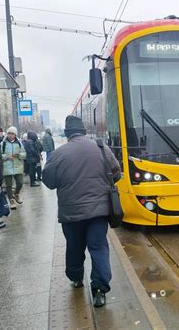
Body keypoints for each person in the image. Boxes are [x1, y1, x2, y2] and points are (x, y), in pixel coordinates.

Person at [43, 116, 121, 308]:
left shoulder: (59, 154)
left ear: (67, 134)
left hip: (72, 214)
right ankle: (100, 290)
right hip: (98, 212)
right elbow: (117, 173)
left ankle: (76, 278)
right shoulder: (101, 147)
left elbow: (49, 182)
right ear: (84, 131)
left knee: (75, 247)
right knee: (99, 247)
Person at [1, 126, 26, 209]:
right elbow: (0, 155)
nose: (10, 135)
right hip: (7, 167)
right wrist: (8, 157)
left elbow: (24, 154)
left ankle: (16, 194)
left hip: (17, 166)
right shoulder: (3, 143)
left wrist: (19, 155)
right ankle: (11, 200)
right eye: (9, 133)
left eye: (12, 134)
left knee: (20, 182)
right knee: (8, 185)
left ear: (15, 135)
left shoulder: (19, 143)